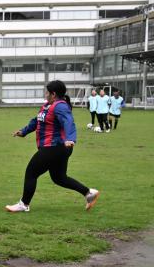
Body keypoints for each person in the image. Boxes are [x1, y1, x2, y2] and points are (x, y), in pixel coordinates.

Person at [5, 80, 100, 213]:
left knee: (31, 172)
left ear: (53, 94)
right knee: (59, 178)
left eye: (47, 92)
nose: (45, 94)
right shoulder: (47, 106)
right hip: (58, 148)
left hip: (55, 147)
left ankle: (24, 204)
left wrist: (70, 139)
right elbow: (37, 120)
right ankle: (89, 193)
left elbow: (69, 122)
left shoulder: (60, 106)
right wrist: (24, 131)